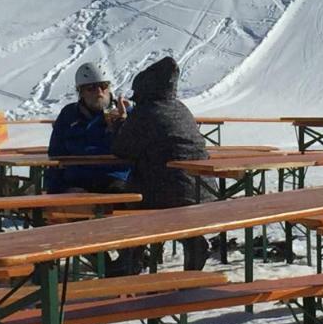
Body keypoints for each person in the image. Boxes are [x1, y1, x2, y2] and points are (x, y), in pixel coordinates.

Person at [110, 55, 210, 271]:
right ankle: (192, 241)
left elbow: (121, 149)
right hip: (202, 191)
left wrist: (120, 124)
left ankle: (131, 257)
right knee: (164, 186)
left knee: (128, 197)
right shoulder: (181, 109)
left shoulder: (145, 112)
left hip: (165, 194)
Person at [46, 62, 131, 193]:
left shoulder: (125, 112)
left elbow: (137, 150)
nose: (99, 92)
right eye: (91, 88)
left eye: (103, 86)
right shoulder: (69, 114)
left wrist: (123, 123)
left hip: (114, 178)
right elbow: (56, 154)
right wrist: (57, 189)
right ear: (81, 92)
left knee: (119, 194)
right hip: (77, 180)